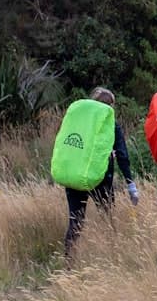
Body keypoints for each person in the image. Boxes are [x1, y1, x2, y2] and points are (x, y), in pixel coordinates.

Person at [57, 87, 139, 259]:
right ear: (110, 106)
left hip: (75, 176)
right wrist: (130, 183)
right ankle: (111, 257)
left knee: (75, 221)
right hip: (100, 178)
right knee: (107, 217)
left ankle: (69, 262)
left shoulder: (79, 124)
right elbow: (122, 155)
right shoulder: (111, 125)